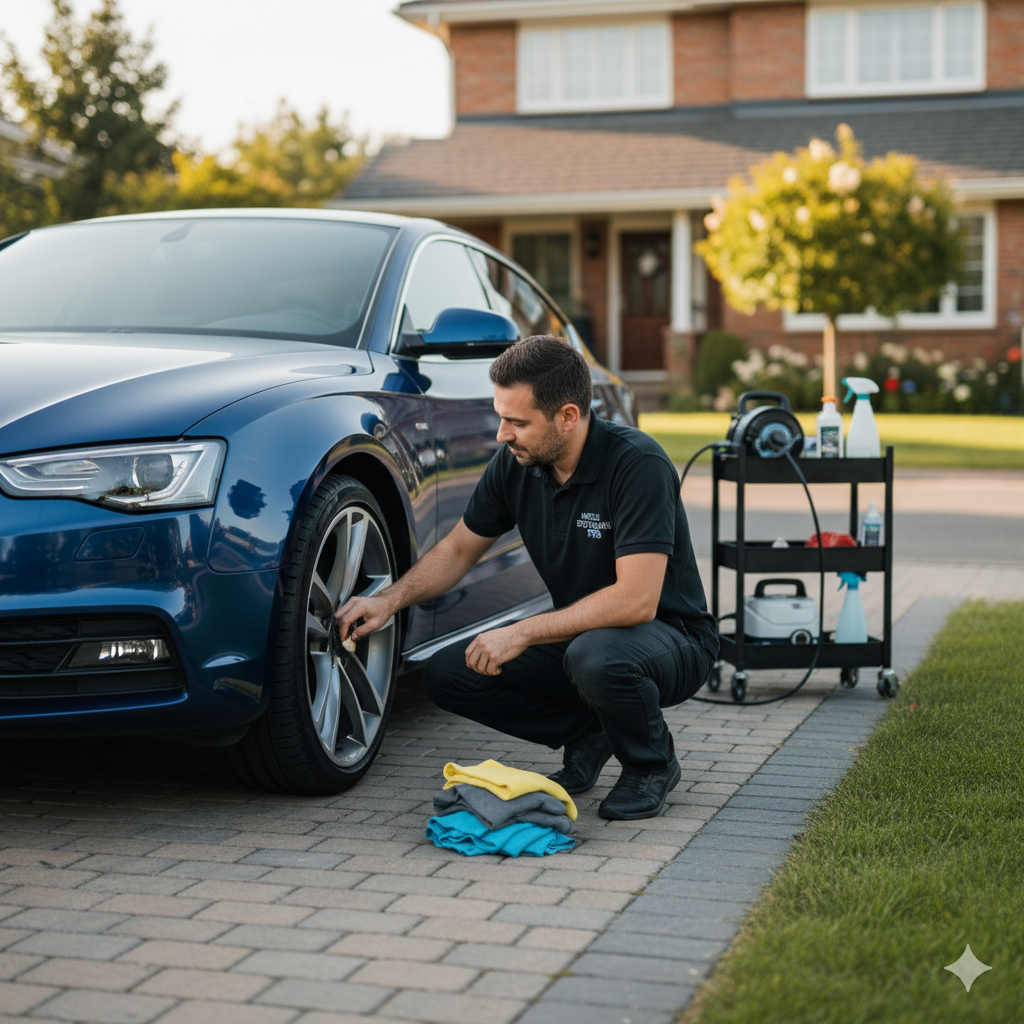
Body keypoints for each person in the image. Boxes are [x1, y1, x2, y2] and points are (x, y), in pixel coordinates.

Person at [336, 335, 719, 820]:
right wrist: (388, 600)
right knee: (451, 673)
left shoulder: (636, 464)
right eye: (501, 417)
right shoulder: (517, 464)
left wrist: (521, 631)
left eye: (517, 421)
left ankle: (651, 764)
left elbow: (636, 601)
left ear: (569, 417)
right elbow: (457, 549)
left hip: (673, 638)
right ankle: (590, 730)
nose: (502, 434)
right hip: (585, 635)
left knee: (596, 657)